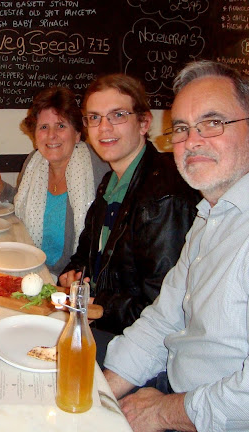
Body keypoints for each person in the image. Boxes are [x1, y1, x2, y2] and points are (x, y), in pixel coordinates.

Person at [103, 61, 249, 432]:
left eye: (212, 122)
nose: (192, 141)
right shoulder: (209, 217)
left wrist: (162, 412)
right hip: (174, 390)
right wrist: (100, 391)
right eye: (182, 128)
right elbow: (163, 320)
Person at [58, 75, 199, 348]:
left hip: (139, 342)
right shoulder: (109, 182)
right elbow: (86, 252)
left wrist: (98, 305)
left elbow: (163, 306)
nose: (104, 127)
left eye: (118, 115)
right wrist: (73, 273)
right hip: (103, 320)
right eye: (94, 117)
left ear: (144, 123)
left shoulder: (164, 196)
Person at [0, 87, 109, 279]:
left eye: (61, 126)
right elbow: (21, 205)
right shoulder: (34, 163)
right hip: (30, 268)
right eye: (44, 127)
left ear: (77, 133)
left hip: (72, 279)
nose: (51, 135)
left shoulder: (99, 169)